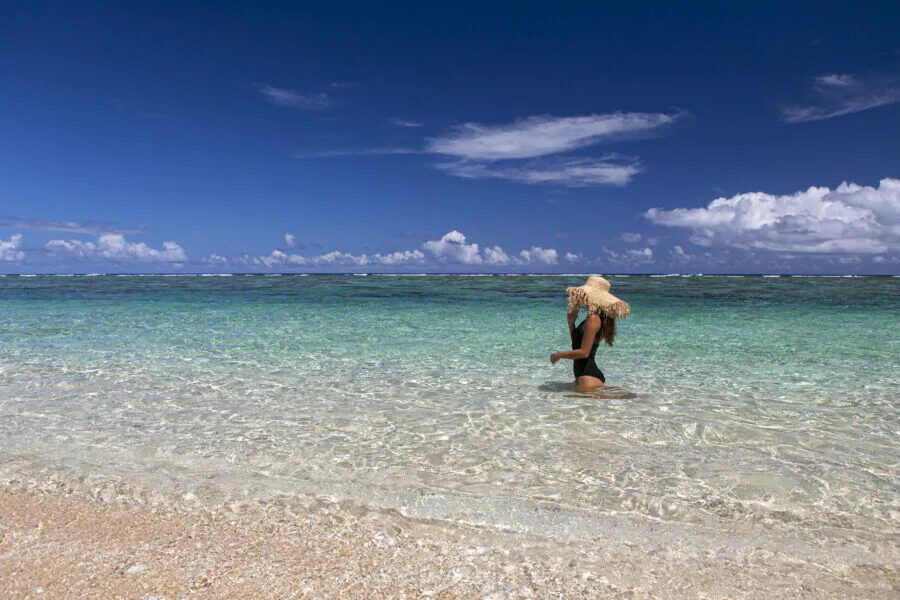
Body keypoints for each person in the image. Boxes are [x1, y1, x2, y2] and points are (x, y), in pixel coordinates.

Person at [550, 276, 630, 391]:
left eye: (585, 294)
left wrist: (559, 355)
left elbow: (584, 353)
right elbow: (577, 344)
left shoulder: (593, 319)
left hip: (588, 377)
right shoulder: (597, 318)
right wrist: (571, 323)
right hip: (585, 375)